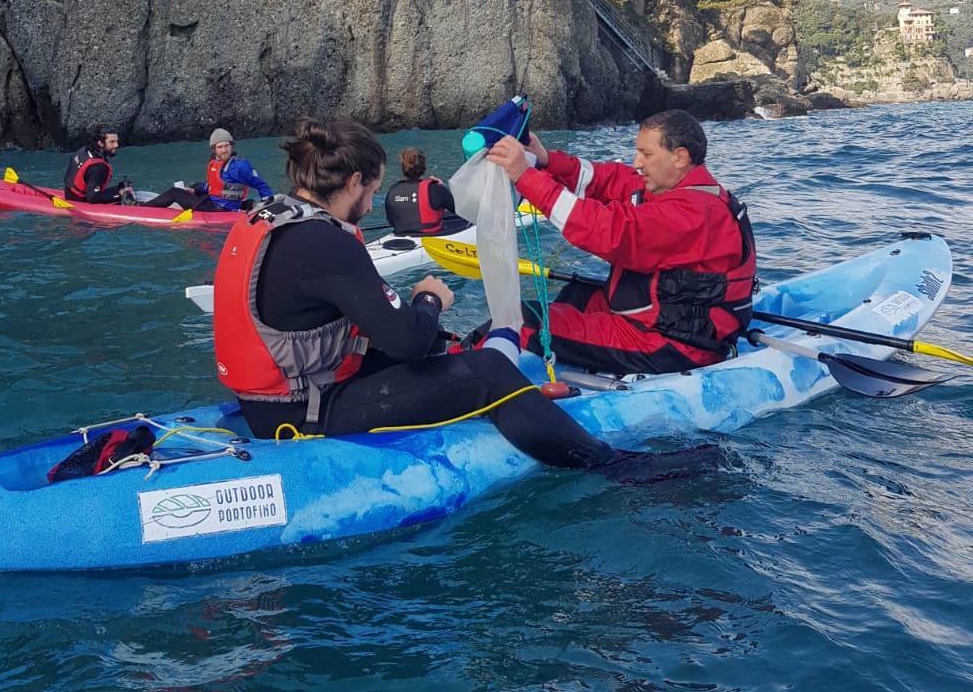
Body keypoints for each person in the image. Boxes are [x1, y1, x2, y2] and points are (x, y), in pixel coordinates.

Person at [212, 117, 723, 480]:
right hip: (306, 414)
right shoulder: (325, 242)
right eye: (372, 189)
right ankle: (613, 466)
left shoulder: (268, 216)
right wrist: (430, 300)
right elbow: (409, 341)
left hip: (272, 400)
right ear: (353, 181)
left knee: (448, 351)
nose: (372, 201)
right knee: (486, 373)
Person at [486, 108, 756, 378]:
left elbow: (605, 231)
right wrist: (544, 161)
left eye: (646, 155)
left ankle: (474, 378)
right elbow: (606, 180)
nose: (637, 163)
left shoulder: (694, 214)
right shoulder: (672, 189)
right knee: (576, 294)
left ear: (680, 157)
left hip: (670, 343)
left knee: (518, 319)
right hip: (651, 318)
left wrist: (525, 176)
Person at [155, 129, 273, 213]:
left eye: (226, 146)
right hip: (215, 201)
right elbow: (216, 186)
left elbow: (259, 183)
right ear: (214, 149)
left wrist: (266, 201)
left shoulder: (239, 166)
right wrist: (194, 190)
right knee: (196, 186)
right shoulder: (217, 162)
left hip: (221, 209)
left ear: (232, 146)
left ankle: (140, 207)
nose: (224, 150)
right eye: (220, 147)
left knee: (175, 193)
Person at [383, 148, 470, 237]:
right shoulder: (435, 189)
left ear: (403, 169)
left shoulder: (393, 190)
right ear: (423, 166)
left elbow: (391, 220)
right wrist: (443, 188)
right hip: (433, 235)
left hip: (401, 235)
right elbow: (460, 210)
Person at [63, 130, 135, 205]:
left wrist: (119, 188)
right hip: (80, 201)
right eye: (112, 142)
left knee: (123, 189)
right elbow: (92, 198)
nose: (116, 145)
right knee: (127, 195)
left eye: (117, 141)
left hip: (69, 194)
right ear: (100, 143)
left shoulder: (85, 150)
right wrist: (121, 193)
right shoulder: (99, 167)